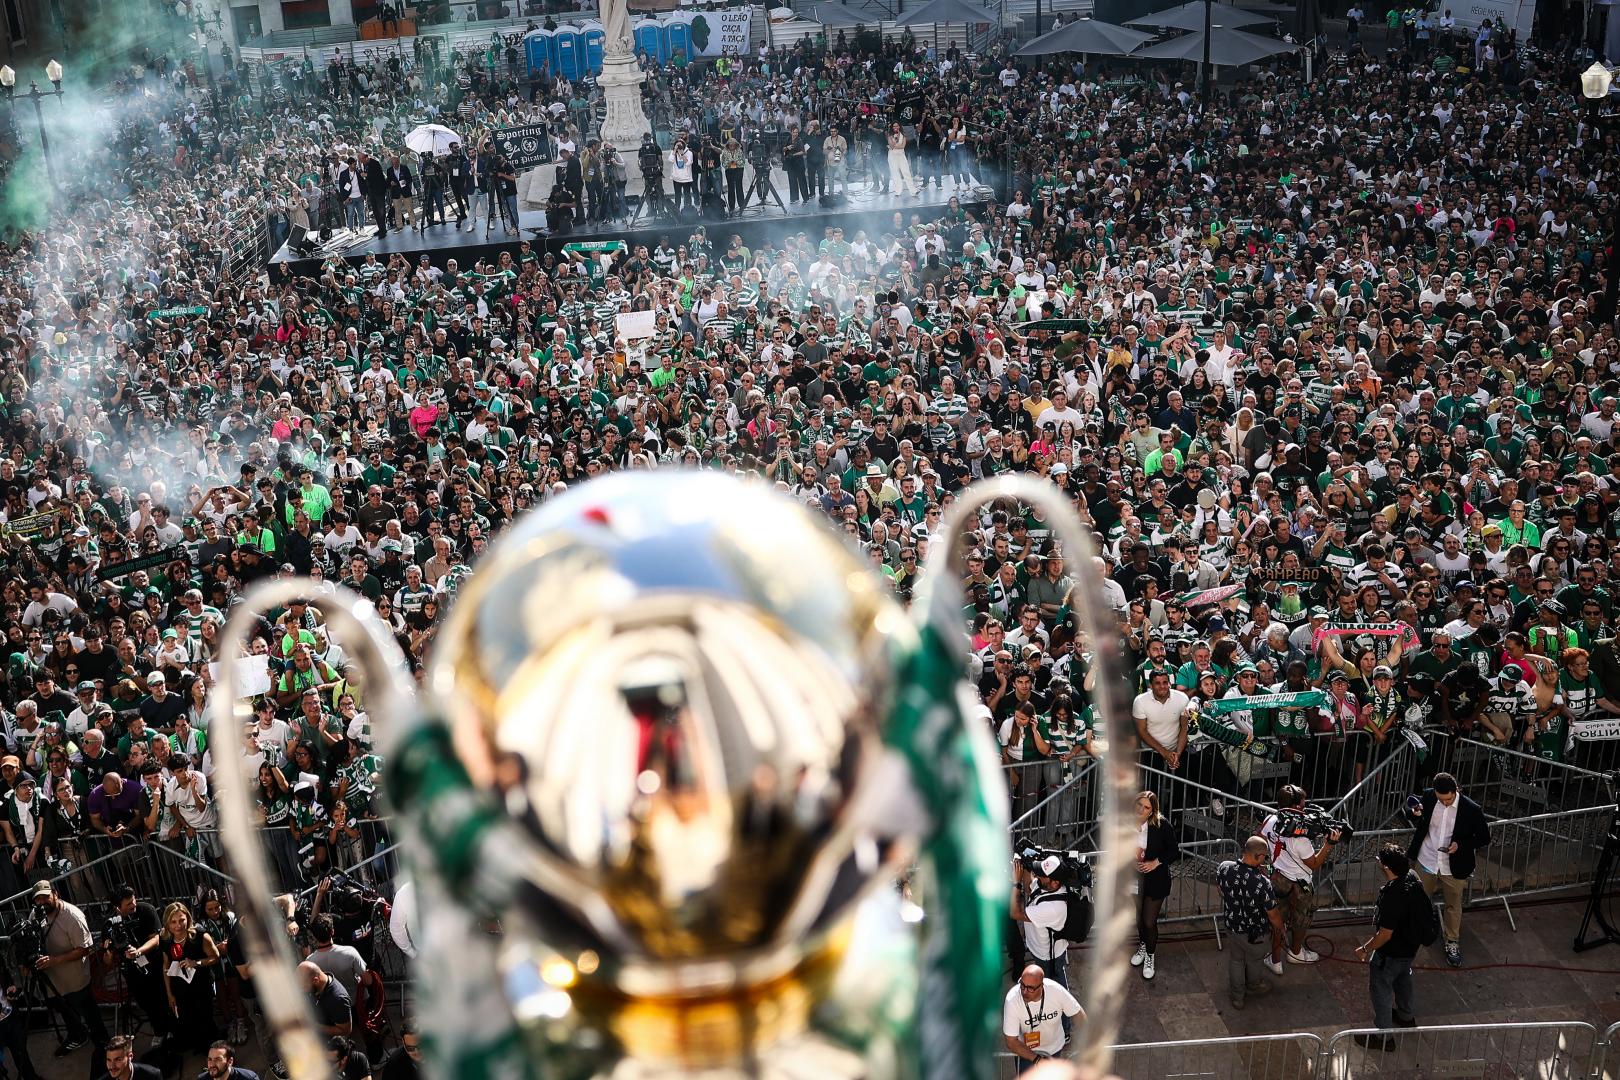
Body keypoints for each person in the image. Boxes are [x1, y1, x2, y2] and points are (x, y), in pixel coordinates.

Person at [1405, 772, 1490, 967]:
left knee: (1453, 905)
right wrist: (1414, 813)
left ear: (1456, 791)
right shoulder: (1428, 796)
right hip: (1426, 859)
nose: (1444, 803)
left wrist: (1461, 845)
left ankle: (1452, 941)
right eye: (1440, 799)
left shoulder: (1471, 809)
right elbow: (1410, 814)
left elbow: (1484, 837)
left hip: (1454, 866)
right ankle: (1420, 932)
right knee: (1419, 900)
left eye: (1448, 799)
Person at [30, 879, 110, 1076]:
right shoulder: (36, 914)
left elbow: (84, 949)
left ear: (56, 894)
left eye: (45, 897)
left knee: (88, 1012)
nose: (42, 902)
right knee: (64, 1010)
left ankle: (104, 1046)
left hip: (75, 980)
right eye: (38, 899)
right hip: (52, 981)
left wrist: (55, 960)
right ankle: (77, 1036)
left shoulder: (72, 916)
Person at [1352, 846, 1425, 1050]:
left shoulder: (1394, 894)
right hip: (1409, 947)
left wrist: (1364, 949)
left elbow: (1385, 934)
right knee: (1404, 978)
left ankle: (1384, 1038)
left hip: (1390, 953)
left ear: (1385, 866)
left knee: (1381, 989)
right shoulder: (1412, 876)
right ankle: (1405, 1016)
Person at [1260, 785, 1342, 965]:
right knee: (1301, 919)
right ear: (1296, 807)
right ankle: (1296, 953)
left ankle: (1275, 961)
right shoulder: (1301, 838)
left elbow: (1259, 840)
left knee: (1277, 919)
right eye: (1303, 806)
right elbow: (1313, 864)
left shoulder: (1270, 820)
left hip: (1277, 878)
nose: (1305, 810)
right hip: (1301, 884)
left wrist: (1263, 867)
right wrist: (1328, 845)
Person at [1215, 836, 1285, 1010]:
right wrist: (1280, 928)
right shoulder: (1263, 883)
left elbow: (1221, 891)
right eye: (1265, 857)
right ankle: (1253, 985)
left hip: (1232, 926)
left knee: (1236, 960)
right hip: (1255, 933)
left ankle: (1237, 997)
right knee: (1254, 960)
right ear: (1259, 857)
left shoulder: (1224, 868)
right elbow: (1273, 913)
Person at [1131, 789, 1179, 982]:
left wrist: (1155, 862)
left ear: (1152, 811)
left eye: (1146, 807)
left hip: (1156, 877)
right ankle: (1143, 945)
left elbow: (1173, 850)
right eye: (1139, 805)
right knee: (1139, 916)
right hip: (1134, 878)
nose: (1141, 809)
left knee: (1149, 921)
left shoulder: (1162, 825)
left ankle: (1150, 954)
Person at [1002, 963, 1083, 1074]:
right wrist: (1037, 1059)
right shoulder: (1012, 999)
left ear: (1041, 986)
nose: (1024, 992)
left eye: (1030, 988)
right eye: (1022, 985)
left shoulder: (1056, 990)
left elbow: (1079, 1016)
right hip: (1026, 1052)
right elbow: (1011, 1042)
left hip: (1054, 1049)